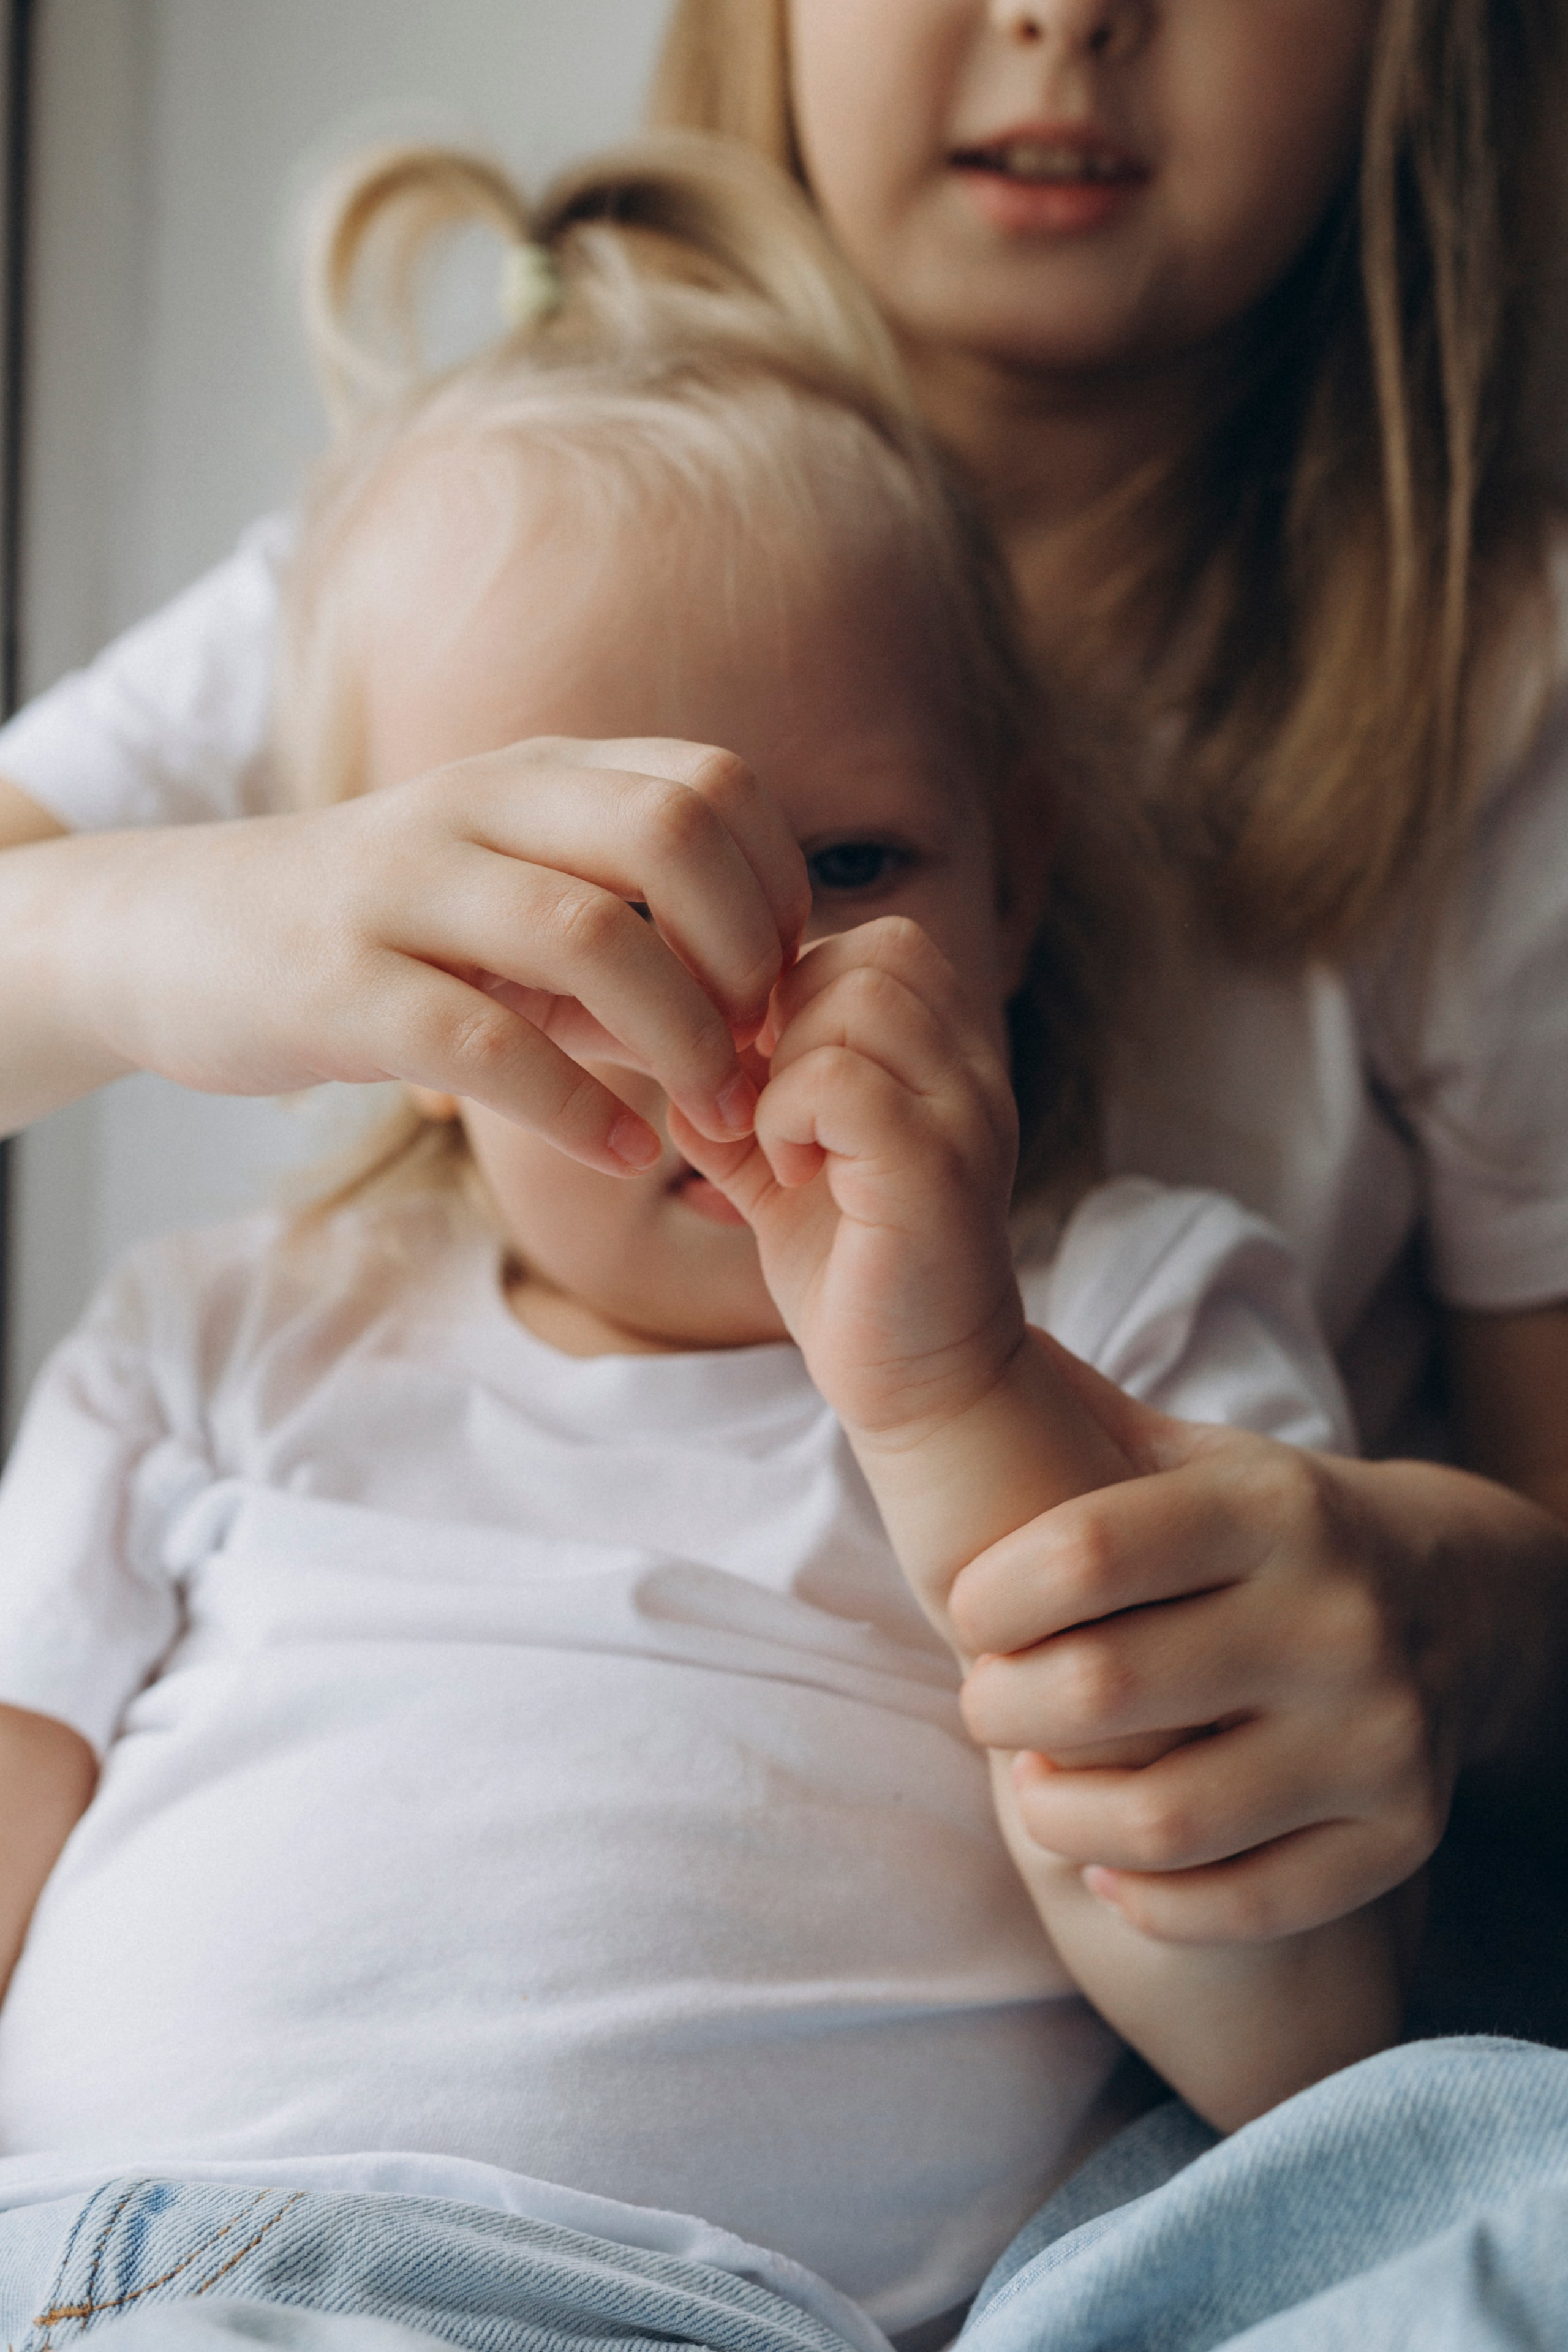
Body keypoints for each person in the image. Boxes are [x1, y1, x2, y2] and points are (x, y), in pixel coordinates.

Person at [0, 0, 1565, 2010]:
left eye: (855, 867)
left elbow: (1305, 2010)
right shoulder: (452, 533)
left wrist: (1460, 1616)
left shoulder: (1486, 695)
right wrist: (168, 926)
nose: (1064, 16)